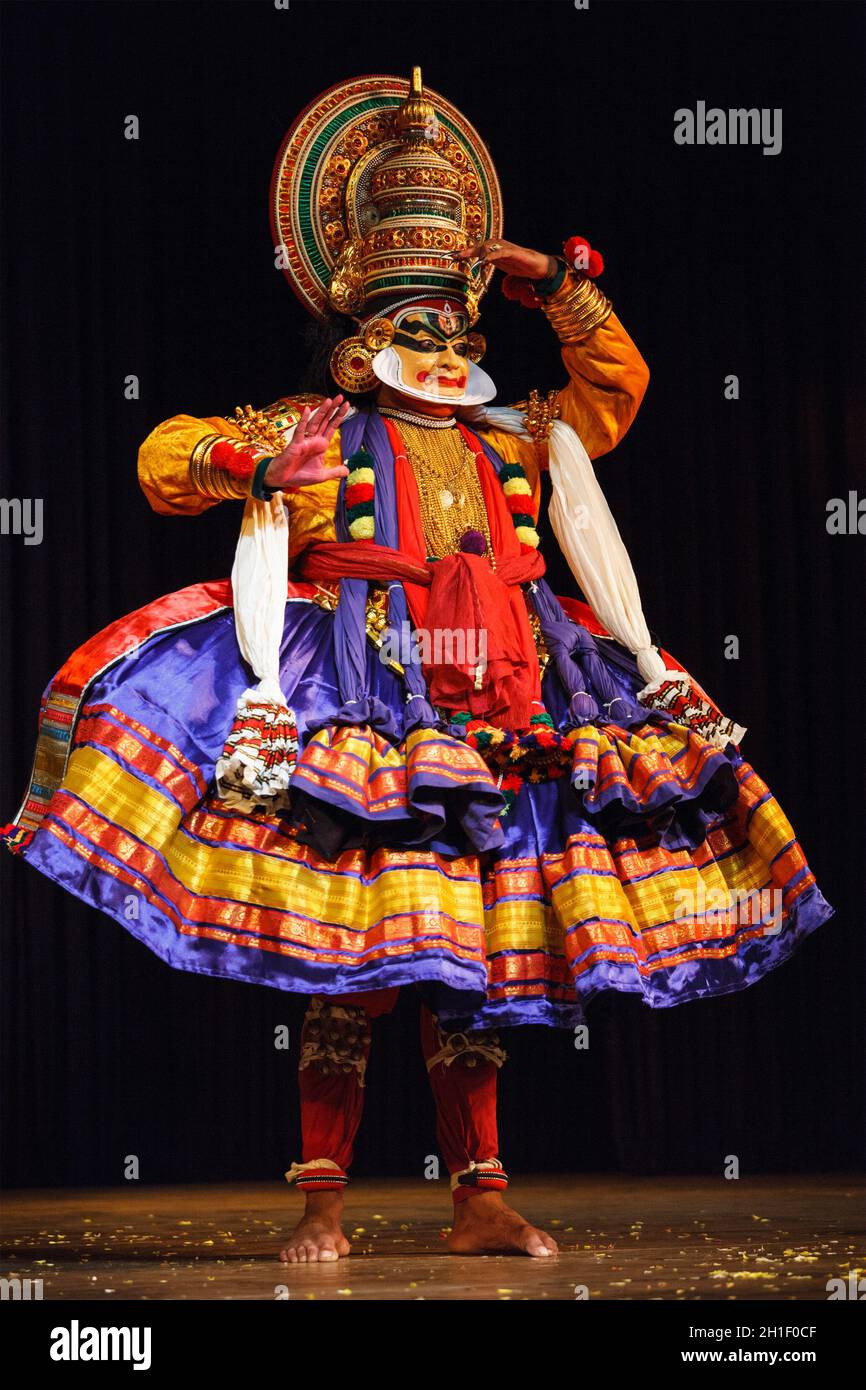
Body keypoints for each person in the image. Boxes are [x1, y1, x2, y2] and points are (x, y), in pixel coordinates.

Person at [4, 69, 832, 1261]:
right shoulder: (309, 430)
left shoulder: (520, 434)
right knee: (356, 950)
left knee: (473, 954)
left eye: (456, 330)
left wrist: (561, 290)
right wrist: (243, 468)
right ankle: (321, 1203)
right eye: (413, 330)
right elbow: (160, 453)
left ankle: (480, 1195)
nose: (443, 350)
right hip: (360, 686)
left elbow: (616, 406)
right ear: (356, 347)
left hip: (506, 690)